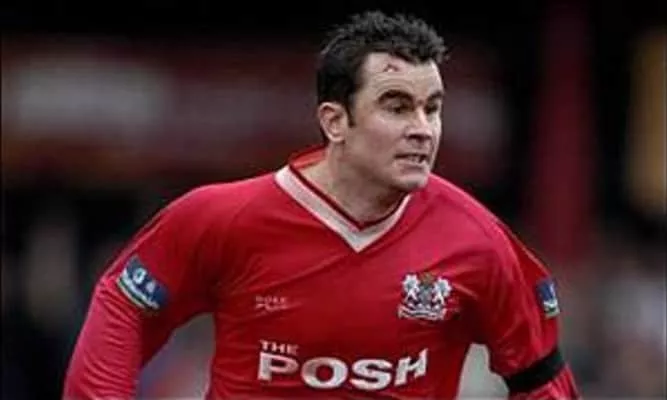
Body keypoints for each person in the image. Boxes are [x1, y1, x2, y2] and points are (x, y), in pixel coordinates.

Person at [63, 10, 580, 399]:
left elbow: (541, 378)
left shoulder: (477, 241)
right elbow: (125, 306)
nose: (423, 129)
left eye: (432, 108)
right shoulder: (222, 218)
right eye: (397, 106)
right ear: (335, 121)